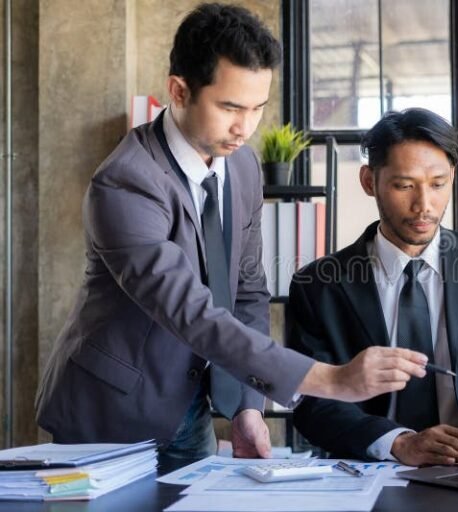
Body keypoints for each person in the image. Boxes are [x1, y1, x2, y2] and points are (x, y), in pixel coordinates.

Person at [35, 3, 427, 459]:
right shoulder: (125, 182)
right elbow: (189, 310)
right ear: (179, 92)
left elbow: (246, 290)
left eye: (257, 107)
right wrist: (331, 379)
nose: (245, 128)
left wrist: (247, 405)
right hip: (111, 414)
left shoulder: (241, 164)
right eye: (230, 107)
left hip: (192, 409)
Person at [288, 108, 458, 466]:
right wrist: (398, 442)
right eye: (404, 185)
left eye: (438, 184)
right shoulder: (316, 284)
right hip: (371, 468)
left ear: (452, 177)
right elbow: (311, 401)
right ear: (369, 181)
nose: (424, 205)